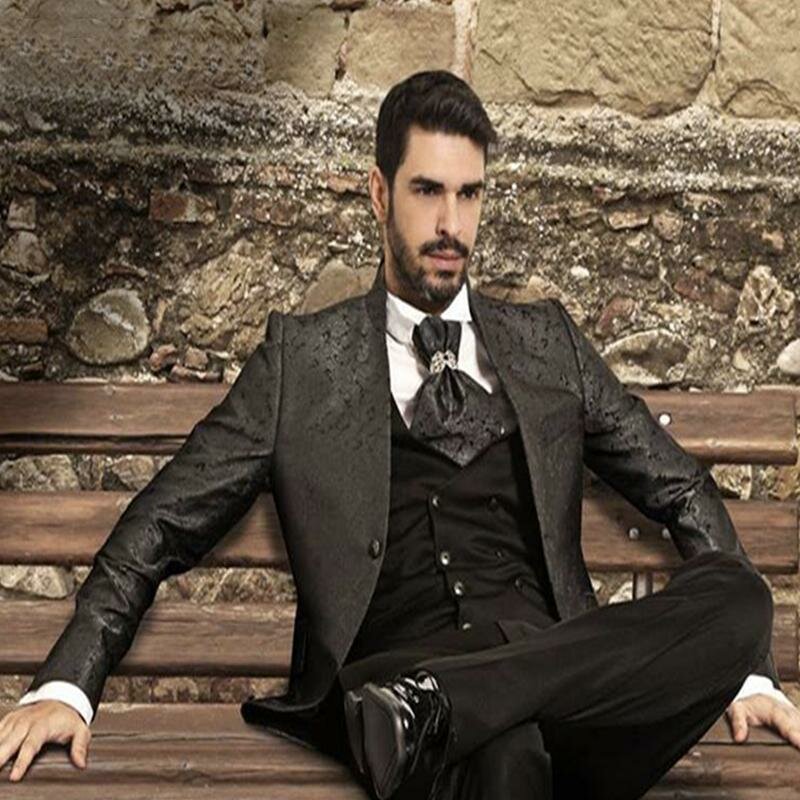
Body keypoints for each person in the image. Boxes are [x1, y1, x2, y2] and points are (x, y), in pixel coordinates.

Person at [1, 69, 799, 798]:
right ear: (380, 194)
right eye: (427, 192)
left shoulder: (546, 343)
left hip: (556, 680)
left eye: (470, 194)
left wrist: (752, 677)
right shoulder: (302, 362)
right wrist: (68, 683)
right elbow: (165, 520)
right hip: (393, 670)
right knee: (507, 754)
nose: (451, 224)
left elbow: (680, 488)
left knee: (738, 597)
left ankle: (445, 705)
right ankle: (439, 707)